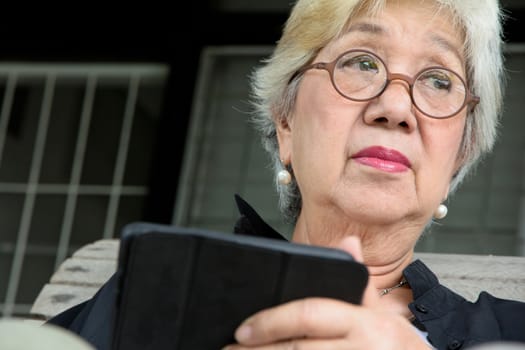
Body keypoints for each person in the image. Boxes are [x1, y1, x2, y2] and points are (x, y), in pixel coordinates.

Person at [46, 0, 525, 349]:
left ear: (459, 156)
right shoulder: (139, 307)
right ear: (286, 123)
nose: (396, 107)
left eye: (439, 80)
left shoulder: (510, 333)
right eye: (361, 62)